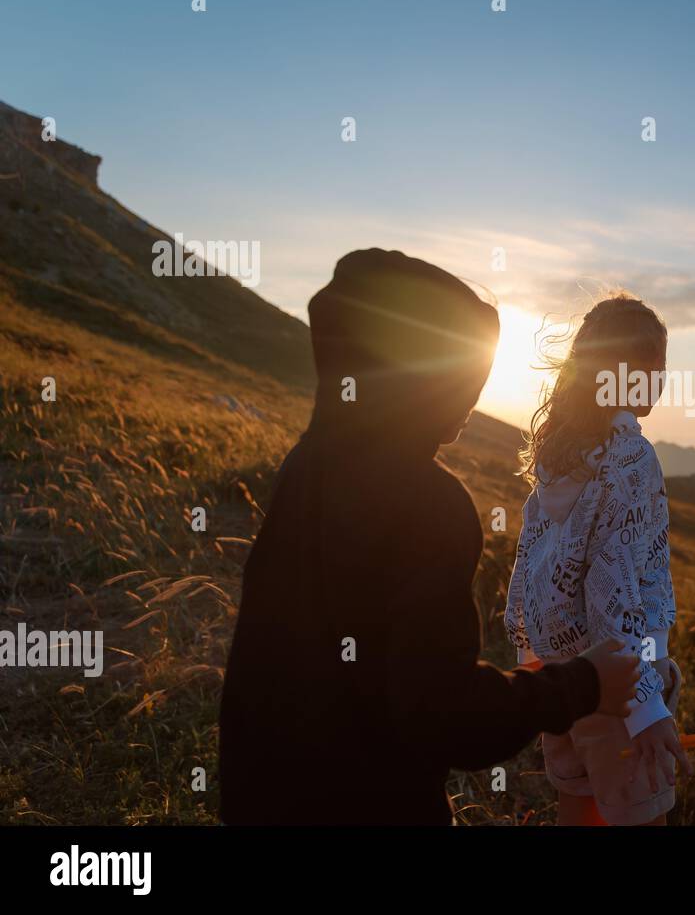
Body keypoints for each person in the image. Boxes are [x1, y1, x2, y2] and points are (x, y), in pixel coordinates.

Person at [218, 249, 639, 825]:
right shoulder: (430, 505)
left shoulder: (306, 465)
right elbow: (444, 715)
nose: (471, 400)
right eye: (463, 376)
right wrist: (584, 685)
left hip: (258, 799)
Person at [506, 292, 694, 826]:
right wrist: (648, 710)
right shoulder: (632, 458)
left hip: (565, 680)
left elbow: (529, 569)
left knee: (578, 813)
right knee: (642, 817)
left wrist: (532, 663)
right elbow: (614, 588)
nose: (662, 379)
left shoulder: (559, 457)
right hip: (618, 685)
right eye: (657, 366)